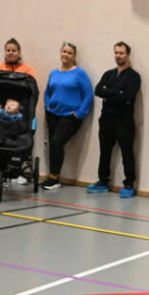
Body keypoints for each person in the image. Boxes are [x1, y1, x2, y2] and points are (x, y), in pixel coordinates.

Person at [88, 41, 142, 198]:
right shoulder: (108, 74)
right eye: (116, 53)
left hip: (124, 121)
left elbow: (128, 96)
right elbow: (98, 90)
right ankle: (102, 181)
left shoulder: (134, 76)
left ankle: (129, 184)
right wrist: (117, 93)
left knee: (127, 153)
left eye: (122, 53)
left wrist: (109, 93)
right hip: (106, 120)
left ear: (128, 55)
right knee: (104, 152)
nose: (119, 56)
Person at [42, 42, 93, 190]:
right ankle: (52, 175)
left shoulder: (79, 74)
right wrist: (47, 105)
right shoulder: (54, 73)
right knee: (53, 144)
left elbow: (88, 95)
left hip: (69, 117)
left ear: (74, 56)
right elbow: (47, 92)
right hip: (53, 114)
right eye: (64, 51)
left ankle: (54, 178)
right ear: (60, 53)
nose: (66, 55)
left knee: (58, 142)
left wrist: (79, 114)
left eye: (70, 53)